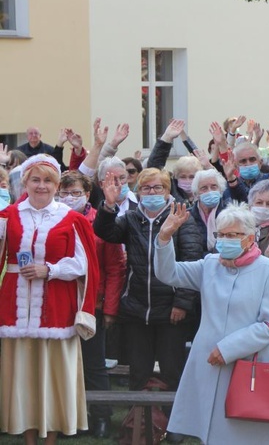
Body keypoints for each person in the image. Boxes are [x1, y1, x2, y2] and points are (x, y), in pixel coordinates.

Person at [153, 202, 269, 444]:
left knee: (243, 434)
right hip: (208, 362)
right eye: (221, 235)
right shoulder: (210, 264)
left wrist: (228, 349)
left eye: (232, 235)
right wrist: (164, 237)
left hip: (246, 363)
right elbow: (168, 273)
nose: (225, 240)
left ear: (249, 237)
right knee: (211, 433)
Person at [93, 167, 203, 433]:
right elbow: (106, 232)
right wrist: (108, 204)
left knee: (172, 371)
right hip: (137, 309)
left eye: (158, 188)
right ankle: (138, 425)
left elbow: (191, 260)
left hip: (171, 311)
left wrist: (182, 303)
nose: (152, 193)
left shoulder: (182, 218)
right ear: (138, 191)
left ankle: (174, 425)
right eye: (146, 188)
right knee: (139, 372)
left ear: (167, 191)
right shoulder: (130, 218)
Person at [0, 154, 100, 443]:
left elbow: (84, 265)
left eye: (47, 180)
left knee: (55, 378)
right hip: (14, 309)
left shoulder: (72, 220)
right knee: (23, 378)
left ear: (57, 185)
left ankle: (52, 438)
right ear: (25, 183)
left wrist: (51, 270)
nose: (41, 186)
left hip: (56, 308)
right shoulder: (8, 216)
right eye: (35, 179)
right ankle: (29, 438)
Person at [58, 170, 126, 438]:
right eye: (64, 192)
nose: (69, 198)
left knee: (94, 365)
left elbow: (115, 268)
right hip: (60, 303)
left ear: (87, 194)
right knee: (63, 363)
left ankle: (101, 417)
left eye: (75, 192)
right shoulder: (54, 220)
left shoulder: (100, 223)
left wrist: (109, 309)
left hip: (92, 303)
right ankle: (69, 418)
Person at [188, 169, 228, 253]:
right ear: (196, 194)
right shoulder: (187, 216)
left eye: (214, 187)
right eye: (204, 188)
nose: (210, 191)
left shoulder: (229, 213)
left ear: (220, 191)